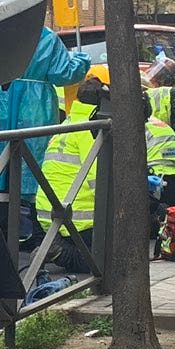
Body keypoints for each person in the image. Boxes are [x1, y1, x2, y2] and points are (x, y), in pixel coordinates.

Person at [0, 24, 93, 234]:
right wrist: (82, 61)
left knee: (1, 158)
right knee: (35, 159)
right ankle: (32, 226)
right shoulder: (44, 36)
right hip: (35, 105)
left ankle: (1, 221)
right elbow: (63, 73)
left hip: (2, 101)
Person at [39, 77, 108, 271]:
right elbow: (98, 179)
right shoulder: (90, 130)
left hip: (50, 213)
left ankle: (54, 245)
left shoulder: (67, 124)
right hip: (75, 218)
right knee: (107, 260)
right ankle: (59, 252)